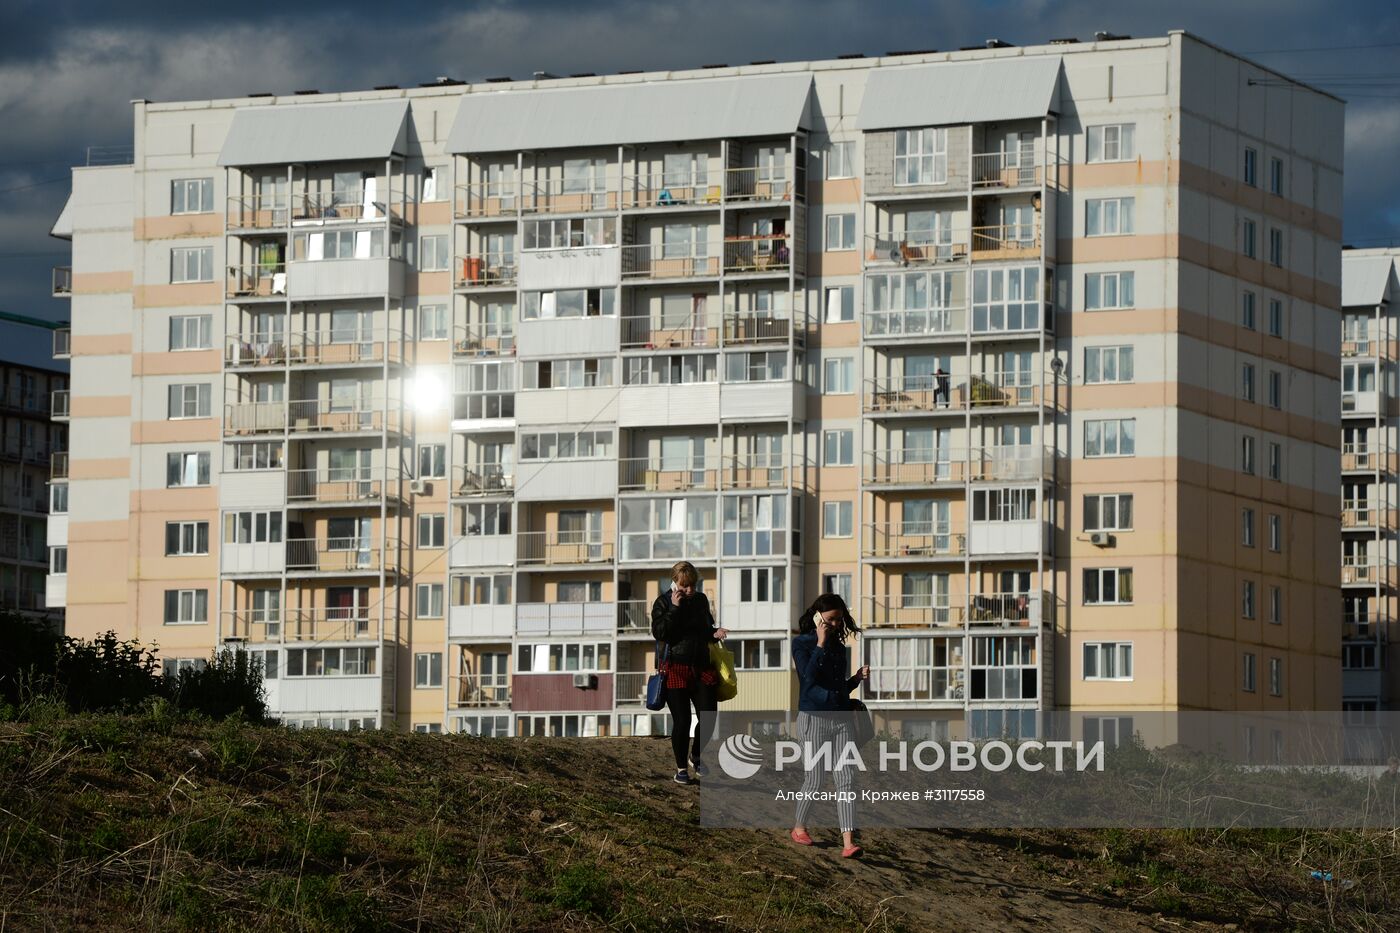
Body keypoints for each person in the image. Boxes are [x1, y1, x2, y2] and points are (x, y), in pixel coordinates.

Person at [790, 593, 870, 858]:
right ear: (817, 617)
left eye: (840, 620)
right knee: (815, 778)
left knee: (845, 779)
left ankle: (848, 843)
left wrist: (855, 680)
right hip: (813, 720)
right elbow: (808, 679)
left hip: (841, 719)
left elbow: (837, 689)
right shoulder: (801, 643)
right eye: (831, 619)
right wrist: (821, 644)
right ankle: (799, 827)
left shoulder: (838, 645)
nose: (836, 625)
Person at [651, 560, 728, 785]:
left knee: (709, 716)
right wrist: (674, 608)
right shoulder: (663, 602)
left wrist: (715, 633)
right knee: (682, 721)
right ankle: (681, 768)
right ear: (674, 582)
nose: (690, 590)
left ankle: (696, 755)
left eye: (693, 584)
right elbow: (659, 632)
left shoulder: (700, 600)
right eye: (685, 586)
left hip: (702, 666)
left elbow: (704, 630)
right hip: (675, 666)